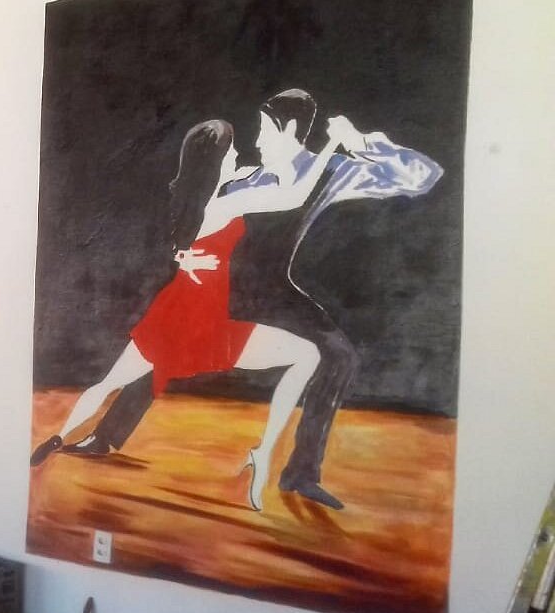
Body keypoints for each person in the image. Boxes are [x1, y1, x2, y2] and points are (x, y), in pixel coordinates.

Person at [62, 90, 443, 511]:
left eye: (264, 130)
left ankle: (300, 475)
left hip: (277, 290)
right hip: (229, 287)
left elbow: (423, 177)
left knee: (340, 356)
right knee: (172, 332)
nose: (257, 140)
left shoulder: (334, 171)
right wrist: (181, 254)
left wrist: (362, 142)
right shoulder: (244, 177)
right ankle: (104, 434)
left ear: (290, 129)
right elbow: (187, 214)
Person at [31, 119, 344, 511]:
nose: (238, 154)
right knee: (308, 354)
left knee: (107, 383)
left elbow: (177, 236)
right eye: (231, 151)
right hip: (202, 325)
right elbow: (295, 196)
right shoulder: (225, 205)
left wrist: (182, 255)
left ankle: (57, 438)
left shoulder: (192, 200)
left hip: (174, 317)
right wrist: (332, 143)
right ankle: (263, 452)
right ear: (215, 162)